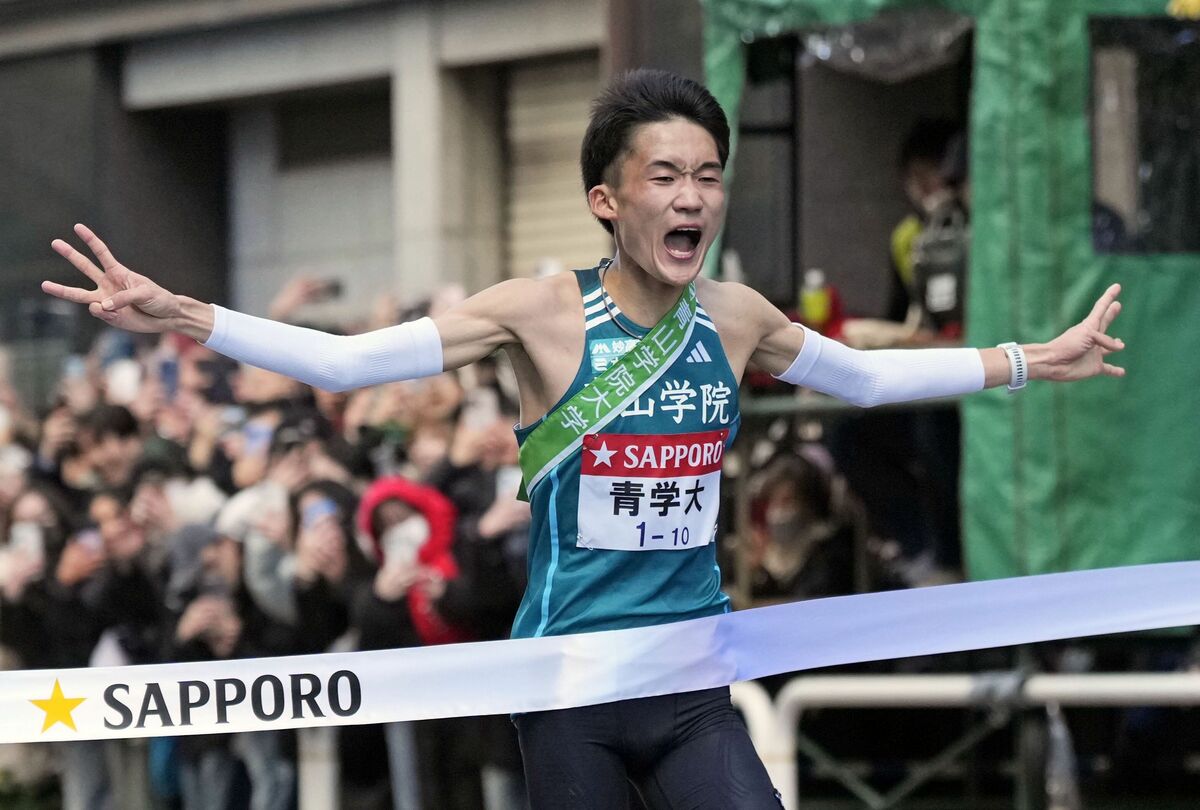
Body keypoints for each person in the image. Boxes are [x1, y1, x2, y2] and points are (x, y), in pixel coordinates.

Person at [43, 68, 1125, 809]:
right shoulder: (538, 312)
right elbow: (346, 365)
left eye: (708, 175)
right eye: (666, 177)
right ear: (607, 200)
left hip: (691, 680)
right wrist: (183, 314)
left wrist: (1034, 358)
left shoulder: (735, 317)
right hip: (568, 687)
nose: (693, 198)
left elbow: (873, 379)